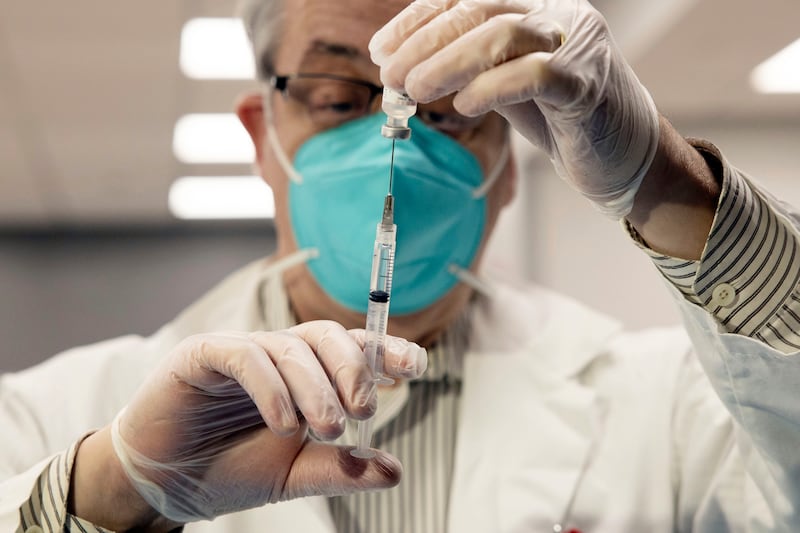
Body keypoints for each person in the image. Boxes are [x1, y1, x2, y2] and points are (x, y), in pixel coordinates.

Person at [2, 0, 799, 531]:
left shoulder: (666, 406)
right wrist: (116, 491)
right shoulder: (56, 419)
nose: (398, 141)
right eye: (341, 98)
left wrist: (665, 183)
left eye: (450, 106)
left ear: (515, 157)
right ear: (260, 136)